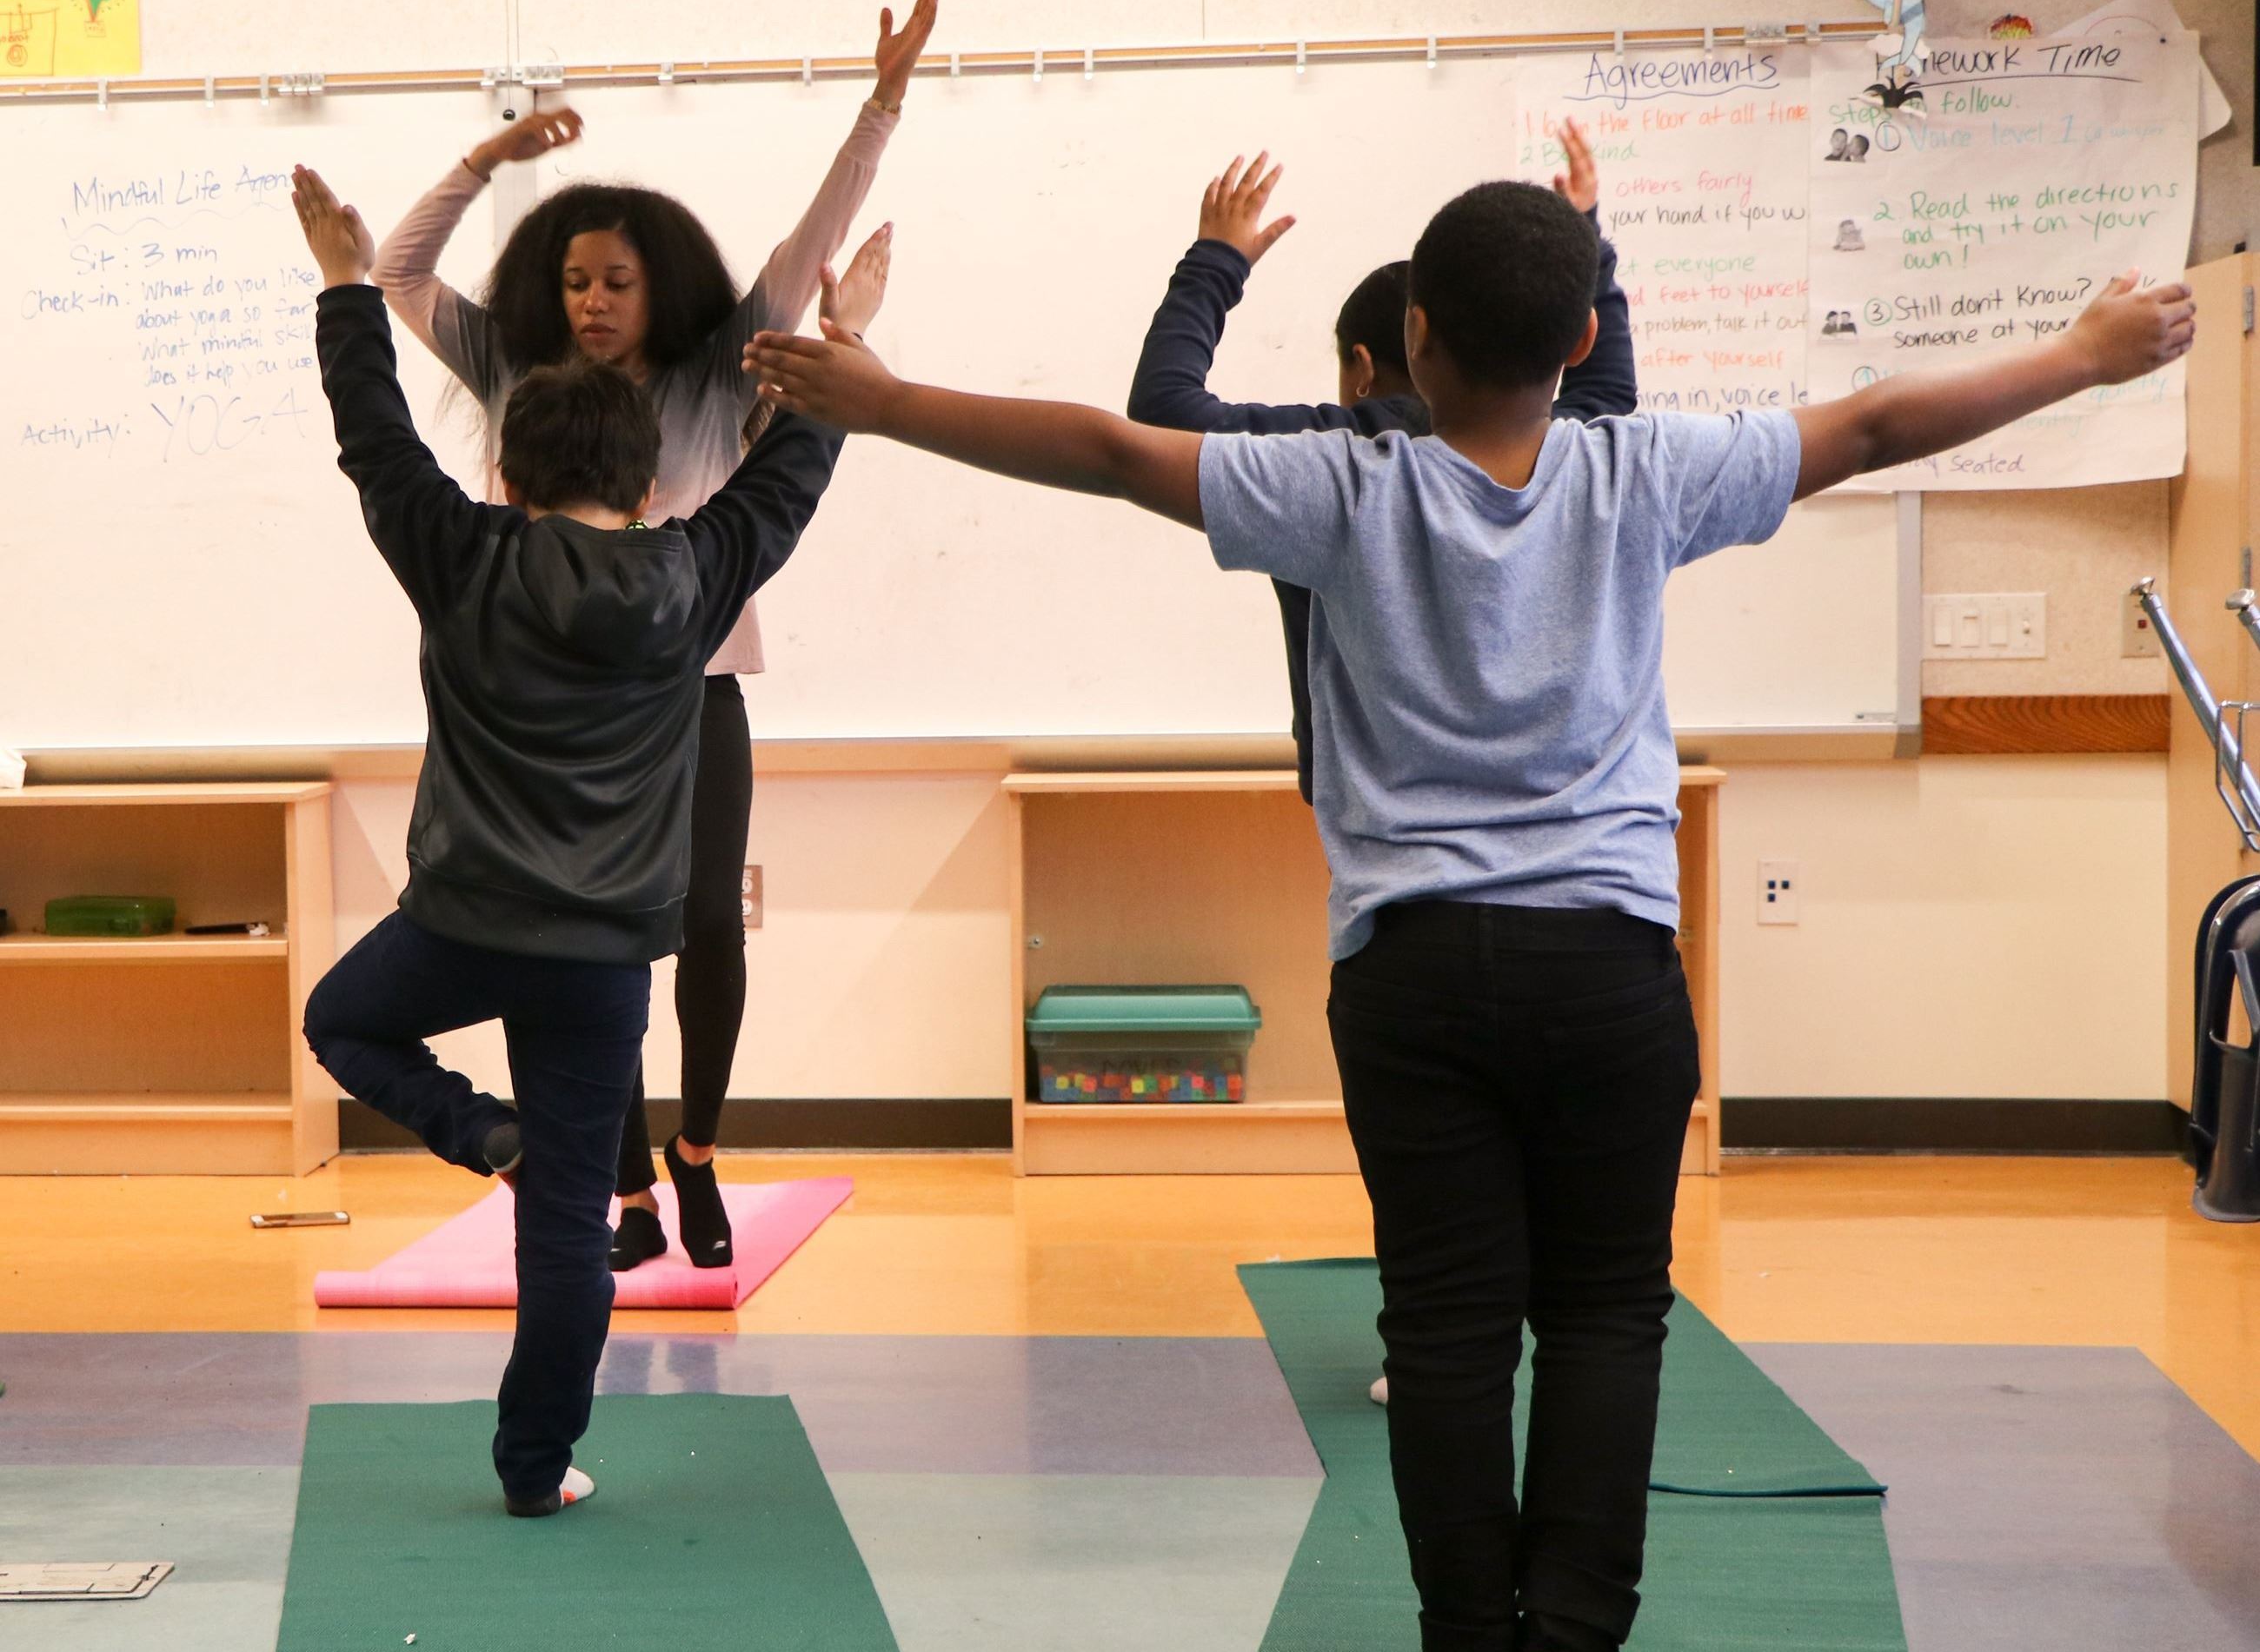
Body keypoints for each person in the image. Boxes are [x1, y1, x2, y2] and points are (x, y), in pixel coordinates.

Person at [746, 191, 2193, 1649]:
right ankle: (1572, 1628)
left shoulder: (1340, 487)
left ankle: (1468, 1632)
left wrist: (885, 400)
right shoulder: (1647, 470)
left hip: (1416, 974)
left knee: (1444, 1327)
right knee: (1607, 1315)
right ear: (1581, 339)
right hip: (1609, 968)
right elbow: (1874, 427)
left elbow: (1116, 450)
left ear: (1415, 337)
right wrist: (2084, 352)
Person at [294, 160, 874, 1517]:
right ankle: (534, 1467)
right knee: (568, 1226)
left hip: (460, 926)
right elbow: (790, 471)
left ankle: (479, 1130)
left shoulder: (459, 553)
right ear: (647, 478)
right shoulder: (692, 572)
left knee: (341, 1020)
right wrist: (844, 339)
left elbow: (374, 435)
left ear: (506, 469)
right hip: (606, 955)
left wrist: (345, 287)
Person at [372, 0, 941, 1276]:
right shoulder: (514, 371)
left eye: (616, 281)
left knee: (706, 925)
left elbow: (806, 250)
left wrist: (885, 100)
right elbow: (395, 272)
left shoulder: (712, 373)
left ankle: (694, 1150)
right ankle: (624, 1184)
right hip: (549, 695)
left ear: (657, 286)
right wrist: (487, 157)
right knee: (593, 933)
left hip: (694, 686)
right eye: (574, 279)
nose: (590, 300)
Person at [1126, 121, 1636, 806]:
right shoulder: (1568, 452)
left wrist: (1217, 260)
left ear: (1365, 363)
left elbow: (1161, 411)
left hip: (1378, 819)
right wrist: (1583, 248)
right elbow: (1608, 394)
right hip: (1546, 800)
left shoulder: (1326, 465)